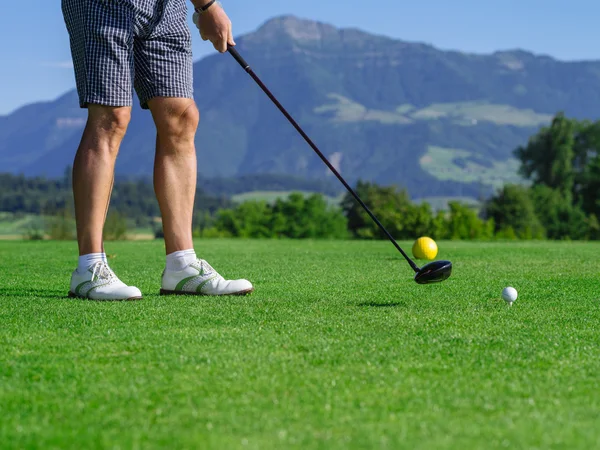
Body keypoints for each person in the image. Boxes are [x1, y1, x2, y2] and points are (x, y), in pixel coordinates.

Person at [61, 0, 253, 300]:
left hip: (166, 7)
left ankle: (181, 265)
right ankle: (89, 267)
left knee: (181, 117)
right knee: (111, 116)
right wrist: (207, 6)